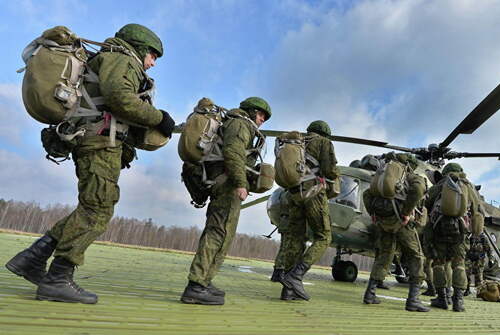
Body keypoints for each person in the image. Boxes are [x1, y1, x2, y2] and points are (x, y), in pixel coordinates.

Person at [5, 24, 174, 304]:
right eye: (153, 55)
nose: (153, 62)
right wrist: (159, 118)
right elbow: (120, 98)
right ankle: (57, 278)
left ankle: (32, 259)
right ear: (140, 48)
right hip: (98, 142)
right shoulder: (123, 59)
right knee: (97, 210)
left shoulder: (108, 58)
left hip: (92, 139)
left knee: (91, 207)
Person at [181, 97, 271, 305]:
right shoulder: (241, 124)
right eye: (260, 115)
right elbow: (233, 152)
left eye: (265, 118)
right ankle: (195, 285)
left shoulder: (235, 122)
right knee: (217, 233)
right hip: (228, 184)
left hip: (222, 182)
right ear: (251, 111)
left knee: (222, 233)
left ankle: (204, 280)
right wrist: (241, 182)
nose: (262, 120)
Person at [279, 120, 339, 301]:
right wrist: (335, 174)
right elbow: (330, 171)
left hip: (294, 194)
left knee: (296, 238)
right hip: (313, 193)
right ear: (325, 134)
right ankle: (296, 276)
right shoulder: (324, 143)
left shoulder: (298, 143)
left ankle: (288, 290)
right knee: (324, 237)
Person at [362, 153, 430, 312]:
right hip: (401, 222)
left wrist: (373, 214)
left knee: (385, 254)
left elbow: (366, 194)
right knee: (416, 256)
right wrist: (406, 212)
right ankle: (413, 300)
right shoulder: (410, 175)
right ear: (411, 165)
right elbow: (419, 189)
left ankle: (369, 294)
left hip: (383, 221)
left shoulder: (382, 173)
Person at [424, 163, 483, 312]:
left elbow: (426, 202)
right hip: (461, 232)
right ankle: (458, 301)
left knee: (438, 263)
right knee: (459, 264)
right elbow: (478, 210)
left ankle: (442, 298)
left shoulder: (440, 185)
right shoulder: (468, 187)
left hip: (439, 230)